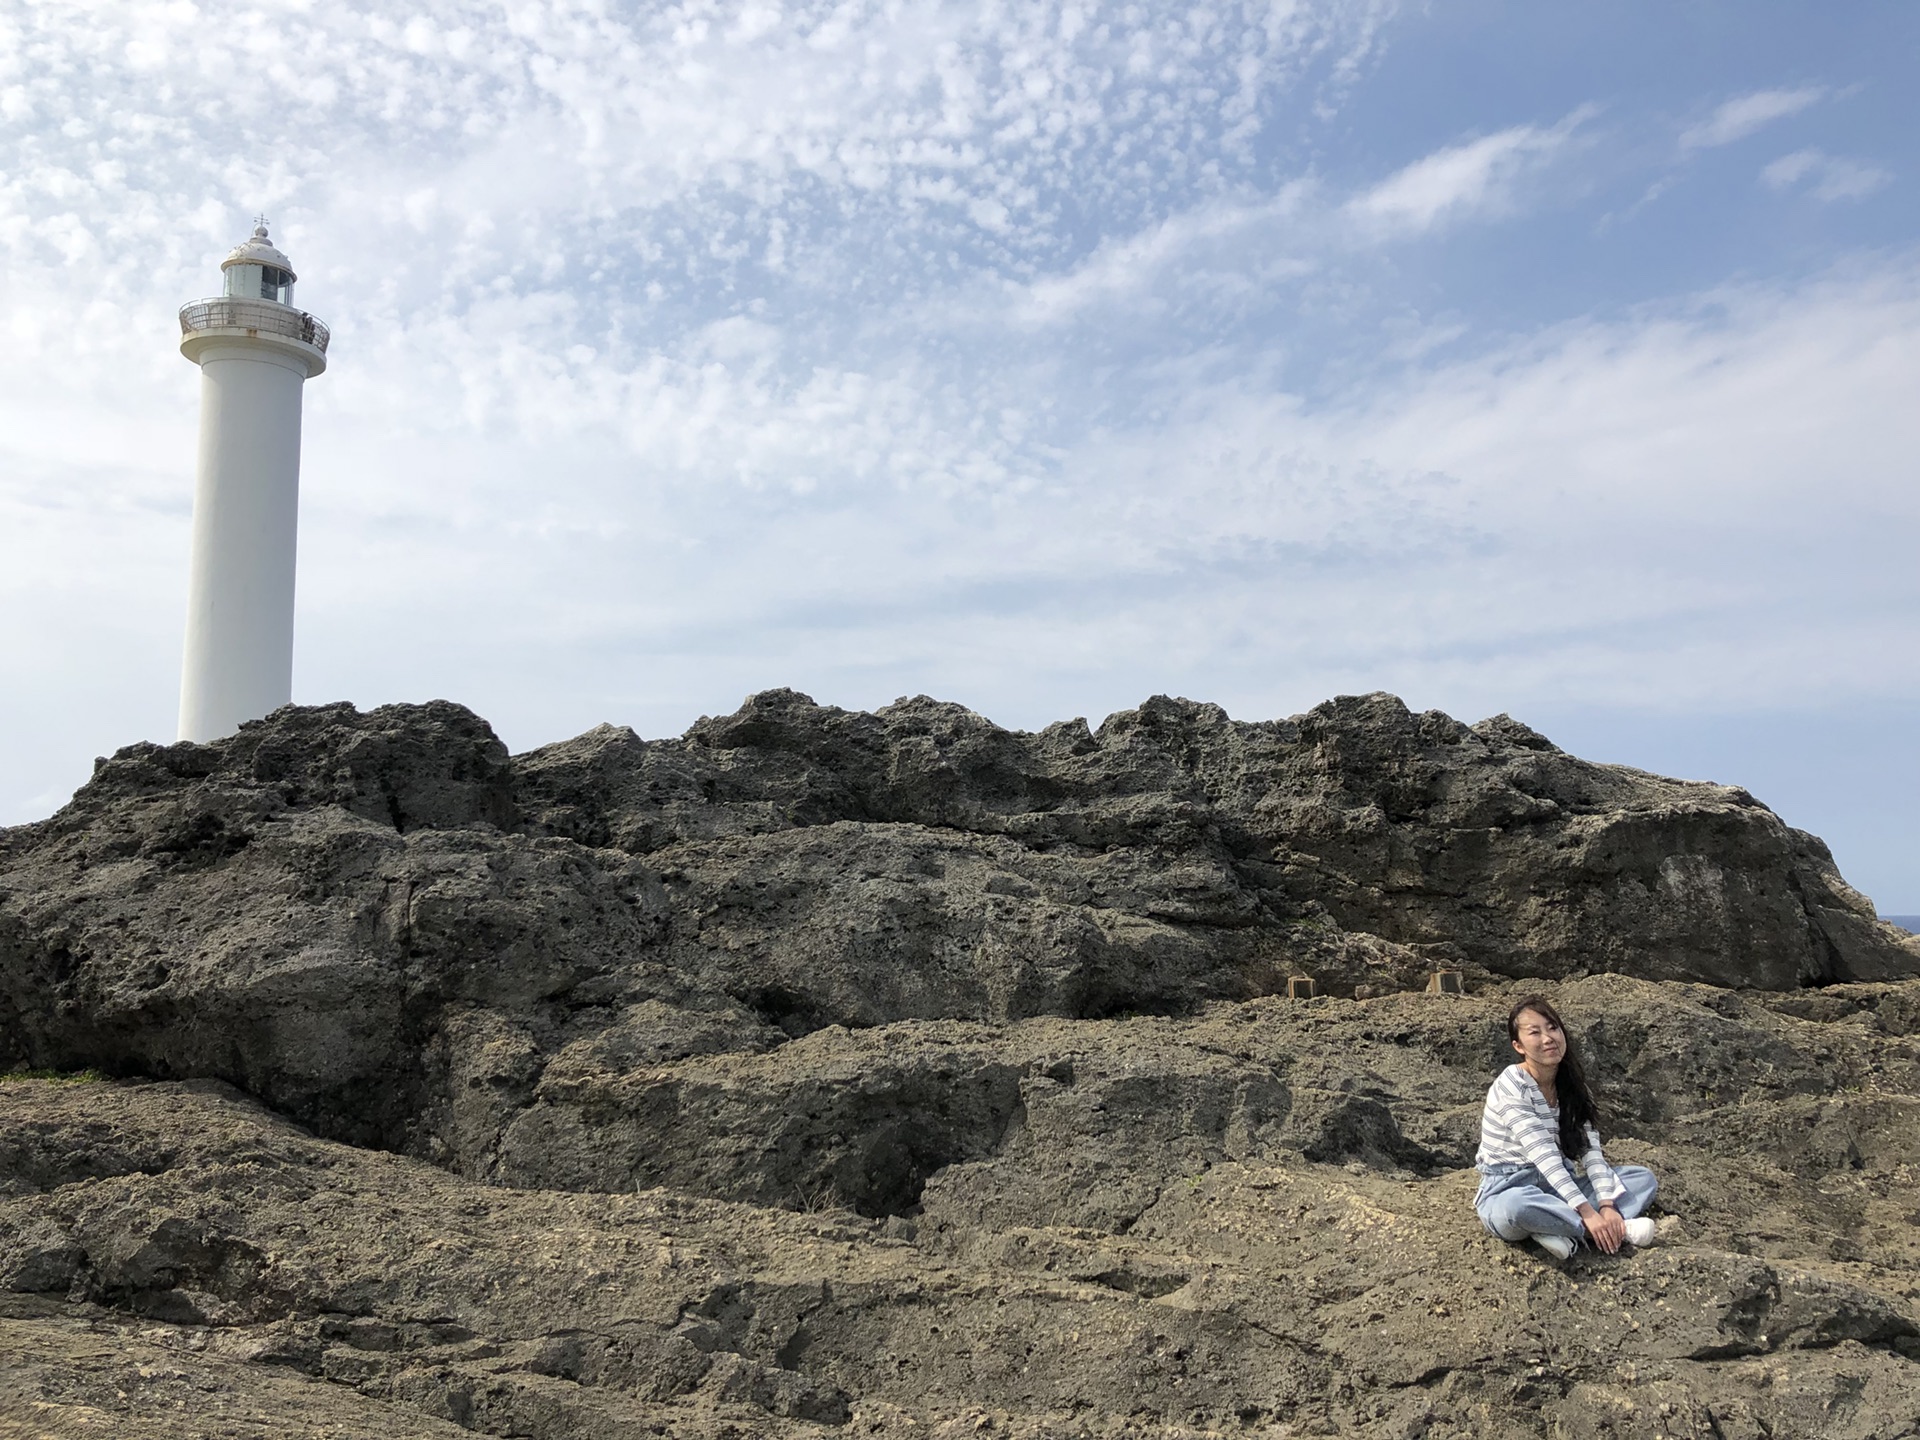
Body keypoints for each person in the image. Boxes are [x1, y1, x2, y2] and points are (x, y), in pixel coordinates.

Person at [1475, 996, 1661, 1260]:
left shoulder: (1572, 1086)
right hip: (1508, 1187)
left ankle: (1554, 1227)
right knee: (1517, 1208)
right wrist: (1588, 1213)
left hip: (1558, 1187)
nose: (1548, 1038)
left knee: (1642, 1179)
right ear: (1518, 1046)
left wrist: (1606, 1205)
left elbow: (1590, 1150)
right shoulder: (1512, 1085)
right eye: (1535, 1032)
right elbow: (1543, 1154)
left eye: (1553, 1028)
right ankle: (1606, 1230)